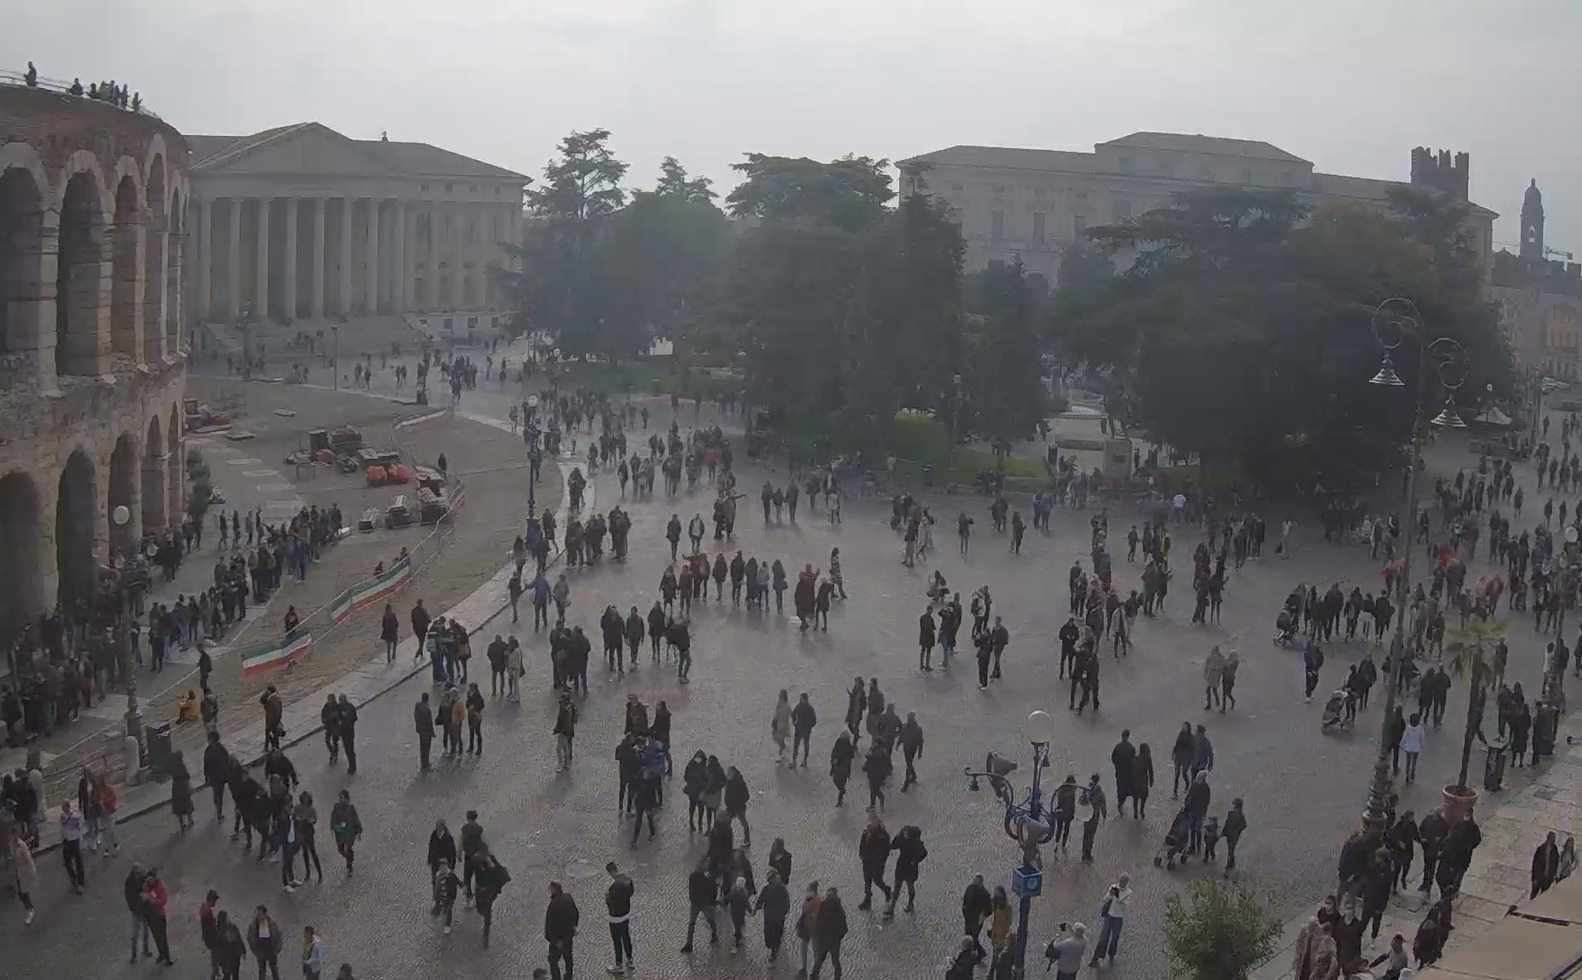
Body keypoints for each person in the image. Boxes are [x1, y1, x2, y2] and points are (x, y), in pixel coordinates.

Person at [1089, 873, 1131, 967]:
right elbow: (1105, 899)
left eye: (1123, 882)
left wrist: (1118, 898)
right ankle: (1098, 957)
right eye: (1120, 881)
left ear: (1126, 882)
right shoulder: (1113, 886)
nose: (1120, 883)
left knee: (1115, 938)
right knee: (1103, 937)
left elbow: (1125, 905)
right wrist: (1110, 896)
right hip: (1109, 915)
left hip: (1118, 917)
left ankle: (1111, 954)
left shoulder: (1128, 892)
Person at [857, 811, 893, 911]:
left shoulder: (882, 834)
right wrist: (861, 853)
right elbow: (862, 842)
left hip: (877, 863)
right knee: (867, 880)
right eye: (871, 819)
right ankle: (867, 899)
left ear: (877, 820)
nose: (872, 822)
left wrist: (880, 861)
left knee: (877, 880)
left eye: (874, 819)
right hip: (867, 860)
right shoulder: (867, 830)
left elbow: (886, 849)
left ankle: (886, 890)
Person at [681, 860, 719, 953]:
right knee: (693, 922)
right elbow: (713, 888)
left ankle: (713, 933)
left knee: (706, 919)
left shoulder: (696, 876)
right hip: (698, 902)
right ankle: (689, 943)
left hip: (700, 902)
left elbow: (713, 888)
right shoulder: (697, 876)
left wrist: (711, 901)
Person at [810, 886, 847, 980]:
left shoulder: (822, 907)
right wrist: (838, 938)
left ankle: (814, 976)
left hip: (824, 940)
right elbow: (844, 929)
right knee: (835, 961)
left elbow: (816, 923)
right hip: (834, 941)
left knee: (819, 959)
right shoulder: (839, 910)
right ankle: (836, 978)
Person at [545, 881, 580, 980]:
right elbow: (576, 913)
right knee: (568, 957)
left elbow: (550, 925)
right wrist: (574, 926)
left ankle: (556, 978)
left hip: (558, 939)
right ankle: (569, 975)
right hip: (568, 936)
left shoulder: (553, 905)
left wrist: (550, 939)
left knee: (553, 960)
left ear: (553, 891)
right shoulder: (568, 897)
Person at [755, 868, 792, 961]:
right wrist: (756, 907)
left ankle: (774, 950)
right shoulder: (768, 889)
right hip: (770, 916)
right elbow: (761, 899)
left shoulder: (781, 889)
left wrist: (784, 911)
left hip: (776, 916)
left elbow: (786, 902)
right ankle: (773, 947)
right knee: (771, 933)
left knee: (776, 934)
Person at [605, 862, 635, 974]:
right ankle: (630, 959)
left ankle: (619, 964)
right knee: (626, 937)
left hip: (615, 918)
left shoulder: (613, 887)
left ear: (610, 872)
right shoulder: (628, 880)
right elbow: (631, 893)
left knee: (617, 941)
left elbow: (610, 903)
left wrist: (607, 899)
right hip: (626, 915)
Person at [329, 789, 361, 875]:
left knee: (349, 848)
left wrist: (358, 830)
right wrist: (333, 827)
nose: (341, 800)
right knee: (340, 849)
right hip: (340, 833)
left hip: (349, 832)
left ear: (347, 799)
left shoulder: (351, 808)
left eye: (342, 798)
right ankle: (349, 858)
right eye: (340, 798)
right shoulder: (336, 807)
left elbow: (356, 819)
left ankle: (350, 866)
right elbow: (333, 818)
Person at [248, 905, 283, 980]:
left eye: (260, 915)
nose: (259, 917)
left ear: (265, 914)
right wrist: (255, 951)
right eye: (257, 915)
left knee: (274, 969)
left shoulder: (272, 923)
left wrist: (278, 948)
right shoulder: (253, 926)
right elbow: (250, 939)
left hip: (271, 950)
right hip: (261, 952)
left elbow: (278, 935)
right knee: (261, 970)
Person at [961, 873, 991, 959]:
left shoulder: (985, 894)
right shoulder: (970, 888)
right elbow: (965, 900)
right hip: (968, 917)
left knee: (974, 936)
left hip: (977, 919)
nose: (974, 881)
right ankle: (973, 951)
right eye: (974, 879)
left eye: (977, 880)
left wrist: (982, 917)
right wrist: (964, 911)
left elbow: (988, 909)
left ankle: (978, 952)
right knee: (968, 935)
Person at [1534, 831, 1562, 899]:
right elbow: (1535, 864)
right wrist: (1534, 878)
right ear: (1548, 838)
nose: (1553, 840)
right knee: (1534, 895)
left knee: (1543, 896)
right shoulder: (1541, 849)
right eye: (1552, 838)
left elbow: (1556, 862)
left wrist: (1553, 876)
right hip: (1539, 877)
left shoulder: (1555, 850)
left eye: (1554, 839)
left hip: (1548, 878)